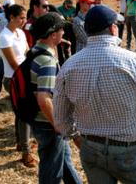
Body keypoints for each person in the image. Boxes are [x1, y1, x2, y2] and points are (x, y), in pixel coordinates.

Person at [53, 5, 136, 184]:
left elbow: (60, 118)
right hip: (128, 150)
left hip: (90, 147)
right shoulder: (135, 63)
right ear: (113, 28)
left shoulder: (69, 66)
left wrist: (76, 137)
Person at [28, 13, 82, 184]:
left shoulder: (34, 51)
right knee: (51, 174)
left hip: (40, 120)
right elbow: (44, 98)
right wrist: (58, 124)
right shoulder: (46, 62)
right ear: (52, 35)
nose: (64, 33)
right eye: (61, 30)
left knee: (64, 162)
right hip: (49, 124)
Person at [0, 4, 37, 168]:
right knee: (25, 113)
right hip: (14, 79)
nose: (23, 21)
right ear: (11, 17)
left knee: (21, 112)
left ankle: (21, 143)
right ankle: (26, 152)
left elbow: (27, 53)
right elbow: (13, 63)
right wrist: (29, 78)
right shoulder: (4, 36)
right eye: (21, 17)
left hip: (24, 76)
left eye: (24, 17)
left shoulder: (20, 33)